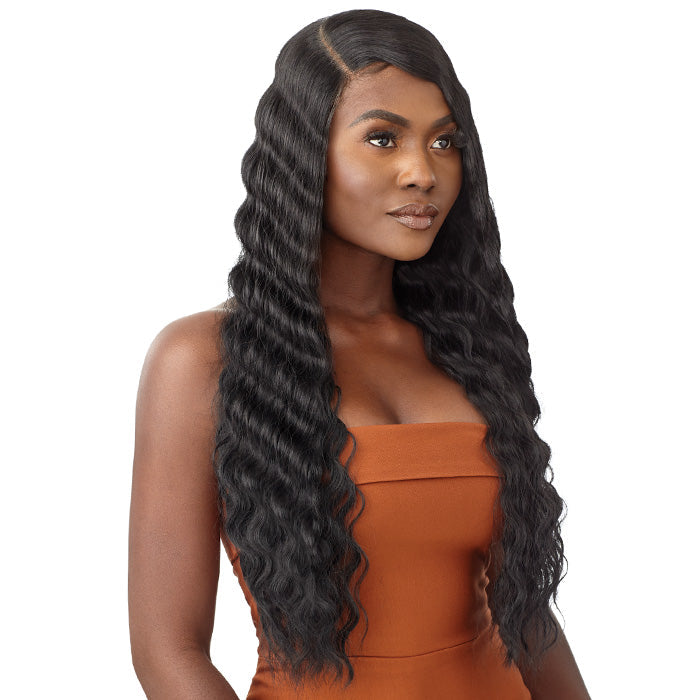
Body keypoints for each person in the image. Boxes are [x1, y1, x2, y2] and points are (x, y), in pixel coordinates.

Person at [129, 9, 591, 699]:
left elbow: (526, 619)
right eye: (382, 138)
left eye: (444, 141)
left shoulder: (466, 345)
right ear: (303, 153)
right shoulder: (202, 360)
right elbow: (168, 651)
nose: (423, 172)